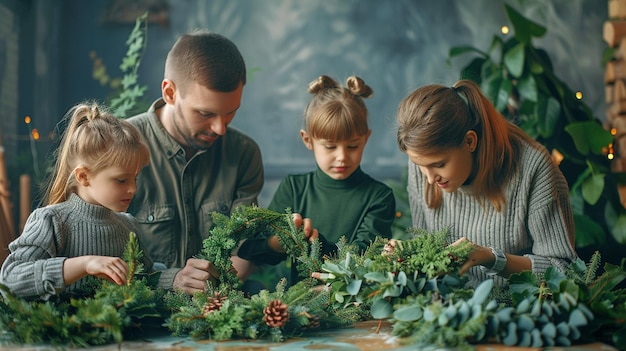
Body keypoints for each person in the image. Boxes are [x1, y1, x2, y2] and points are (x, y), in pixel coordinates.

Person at [125, 30, 317, 294]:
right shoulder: (120, 148)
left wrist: (212, 294)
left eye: (230, 113)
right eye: (205, 114)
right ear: (170, 92)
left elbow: (241, 252)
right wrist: (172, 281)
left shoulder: (244, 154)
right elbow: (97, 254)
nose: (220, 128)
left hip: (220, 312)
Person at [394, 79, 577, 288]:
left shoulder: (534, 169)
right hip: (445, 306)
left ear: (470, 141)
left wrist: (492, 259)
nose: (428, 178)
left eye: (440, 164)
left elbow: (563, 271)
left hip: (518, 309)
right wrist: (407, 255)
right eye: (419, 165)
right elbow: (428, 260)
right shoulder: (424, 159)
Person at [0, 102, 169, 300]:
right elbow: (10, 280)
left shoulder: (128, 226)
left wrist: (176, 278)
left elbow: (146, 277)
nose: (133, 188)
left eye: (135, 178)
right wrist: (85, 265)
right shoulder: (51, 222)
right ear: (83, 176)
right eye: (122, 180)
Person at [238, 75, 396, 284]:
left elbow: (364, 259)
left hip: (359, 306)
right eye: (330, 147)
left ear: (365, 139)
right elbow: (251, 249)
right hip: (301, 308)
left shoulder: (379, 196)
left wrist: (316, 243)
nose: (341, 156)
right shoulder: (294, 188)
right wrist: (277, 243)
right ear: (308, 140)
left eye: (352, 146)